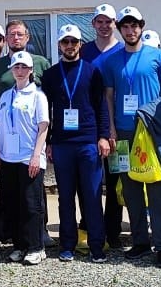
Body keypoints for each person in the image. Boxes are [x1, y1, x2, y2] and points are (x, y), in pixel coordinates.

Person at [101, 6, 161, 268]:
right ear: (120, 29)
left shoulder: (157, 56)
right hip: (121, 134)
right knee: (129, 188)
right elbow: (109, 97)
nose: (130, 30)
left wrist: (158, 106)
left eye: (134, 25)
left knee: (156, 187)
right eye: (125, 26)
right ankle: (140, 241)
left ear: (141, 27)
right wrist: (109, 129)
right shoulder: (112, 61)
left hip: (150, 132)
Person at [41, 24, 111, 261]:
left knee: (91, 196)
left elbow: (101, 107)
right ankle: (67, 244)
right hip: (61, 144)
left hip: (87, 142)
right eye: (65, 42)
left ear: (80, 44)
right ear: (59, 45)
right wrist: (48, 141)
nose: (69, 46)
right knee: (65, 197)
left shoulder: (92, 72)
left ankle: (96, 245)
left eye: (74, 42)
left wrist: (102, 136)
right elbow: (46, 111)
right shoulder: (50, 74)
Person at [0, 51, 51, 265]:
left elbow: (43, 127)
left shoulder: (38, 96)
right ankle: (19, 245)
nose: (20, 71)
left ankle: (36, 246)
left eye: (24, 68)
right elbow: (0, 124)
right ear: (12, 70)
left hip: (29, 157)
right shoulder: (5, 96)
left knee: (31, 204)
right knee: (13, 203)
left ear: (31, 71)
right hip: (8, 157)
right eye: (16, 67)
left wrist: (36, 155)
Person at [82, 3, 127, 251]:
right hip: (88, 126)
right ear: (93, 25)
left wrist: (110, 128)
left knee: (114, 179)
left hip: (115, 125)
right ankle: (88, 227)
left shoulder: (123, 51)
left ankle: (114, 231)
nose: (103, 25)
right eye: (99, 21)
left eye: (108, 21)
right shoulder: (84, 51)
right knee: (90, 181)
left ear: (114, 24)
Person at [0, 19, 48, 99]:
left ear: (27, 37)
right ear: (6, 38)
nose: (16, 38)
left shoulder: (41, 63)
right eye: (12, 34)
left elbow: (49, 95)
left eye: (19, 34)